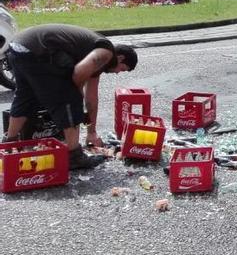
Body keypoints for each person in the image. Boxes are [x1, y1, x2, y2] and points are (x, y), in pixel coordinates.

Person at [5, 24, 138, 169]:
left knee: (26, 97)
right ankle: (74, 156)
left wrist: (91, 132)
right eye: (122, 69)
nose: (118, 72)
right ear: (120, 58)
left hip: (18, 47)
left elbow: (91, 98)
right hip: (39, 51)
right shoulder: (106, 53)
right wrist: (75, 98)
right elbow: (79, 73)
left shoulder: (100, 57)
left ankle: (9, 143)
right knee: (69, 99)